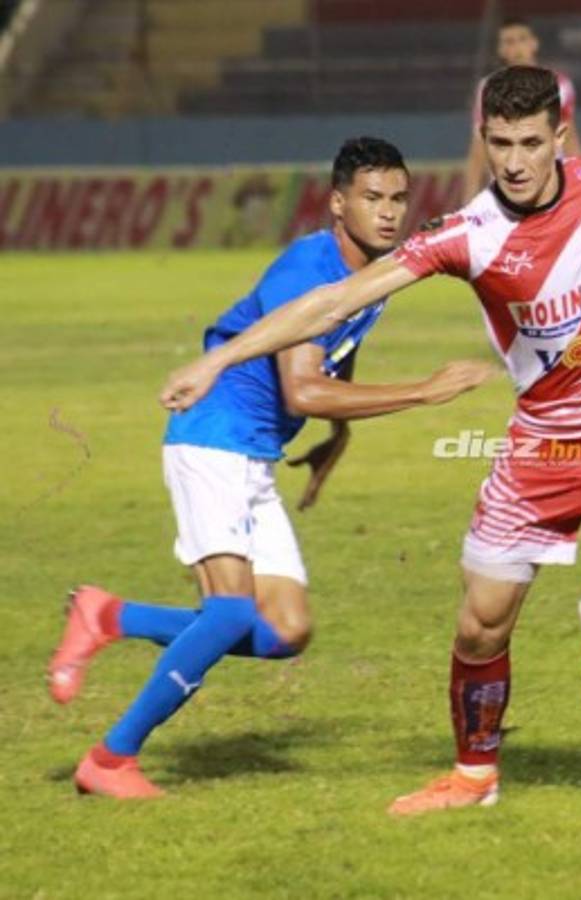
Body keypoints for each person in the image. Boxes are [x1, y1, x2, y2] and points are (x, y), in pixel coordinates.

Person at [158, 66, 581, 817]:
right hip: (539, 451)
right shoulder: (466, 235)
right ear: (482, 139)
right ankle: (473, 776)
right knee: (479, 624)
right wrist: (219, 358)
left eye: (528, 142)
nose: (512, 162)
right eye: (497, 143)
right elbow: (330, 303)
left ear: (558, 138)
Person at [48, 137, 493, 799]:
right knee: (229, 613)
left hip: (254, 455)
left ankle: (110, 616)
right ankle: (111, 759)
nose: (390, 212)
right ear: (338, 204)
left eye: (399, 198)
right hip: (213, 438)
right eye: (372, 198)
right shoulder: (308, 271)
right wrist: (425, 390)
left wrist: (337, 435)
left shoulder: (370, 274)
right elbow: (302, 391)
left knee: (285, 630)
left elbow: (334, 360)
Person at [461, 18, 581, 203]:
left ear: (534, 43)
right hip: (508, 189)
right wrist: (468, 203)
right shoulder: (488, 87)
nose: (516, 47)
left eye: (522, 39)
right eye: (509, 42)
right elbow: (479, 148)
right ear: (500, 50)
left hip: (551, 188)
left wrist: (580, 192)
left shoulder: (559, 84)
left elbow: (570, 140)